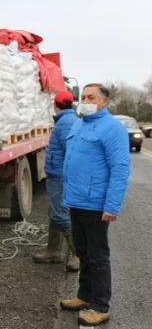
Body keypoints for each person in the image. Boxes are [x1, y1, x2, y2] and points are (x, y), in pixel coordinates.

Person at [59, 83, 130, 326]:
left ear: (104, 102)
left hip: (96, 204)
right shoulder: (80, 125)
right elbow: (71, 164)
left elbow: (120, 169)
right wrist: (68, 199)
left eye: (91, 97)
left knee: (98, 255)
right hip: (77, 202)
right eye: (83, 96)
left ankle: (100, 305)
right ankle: (84, 295)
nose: (85, 101)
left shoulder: (112, 129)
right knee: (83, 252)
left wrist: (112, 206)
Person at [33, 90, 80, 271]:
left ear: (56, 105)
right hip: (57, 174)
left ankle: (77, 254)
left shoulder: (66, 123)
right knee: (54, 212)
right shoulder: (67, 120)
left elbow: (71, 152)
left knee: (60, 213)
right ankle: (53, 250)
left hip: (60, 175)